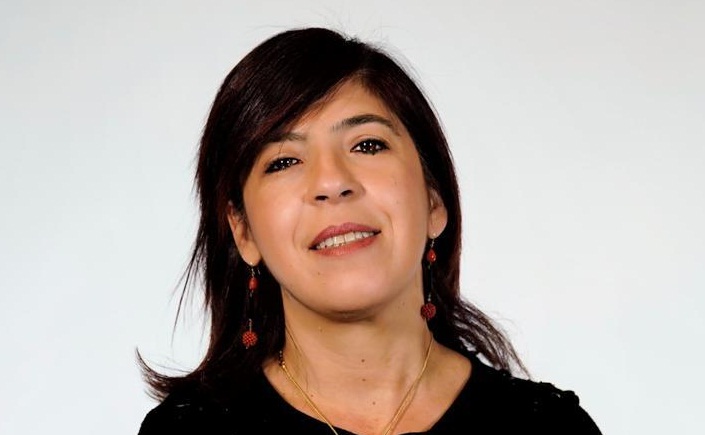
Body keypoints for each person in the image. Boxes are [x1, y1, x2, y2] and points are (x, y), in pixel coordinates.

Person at [138, 27, 601, 434]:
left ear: (434, 200)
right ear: (243, 232)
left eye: (367, 145)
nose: (331, 182)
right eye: (284, 161)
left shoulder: (552, 429)